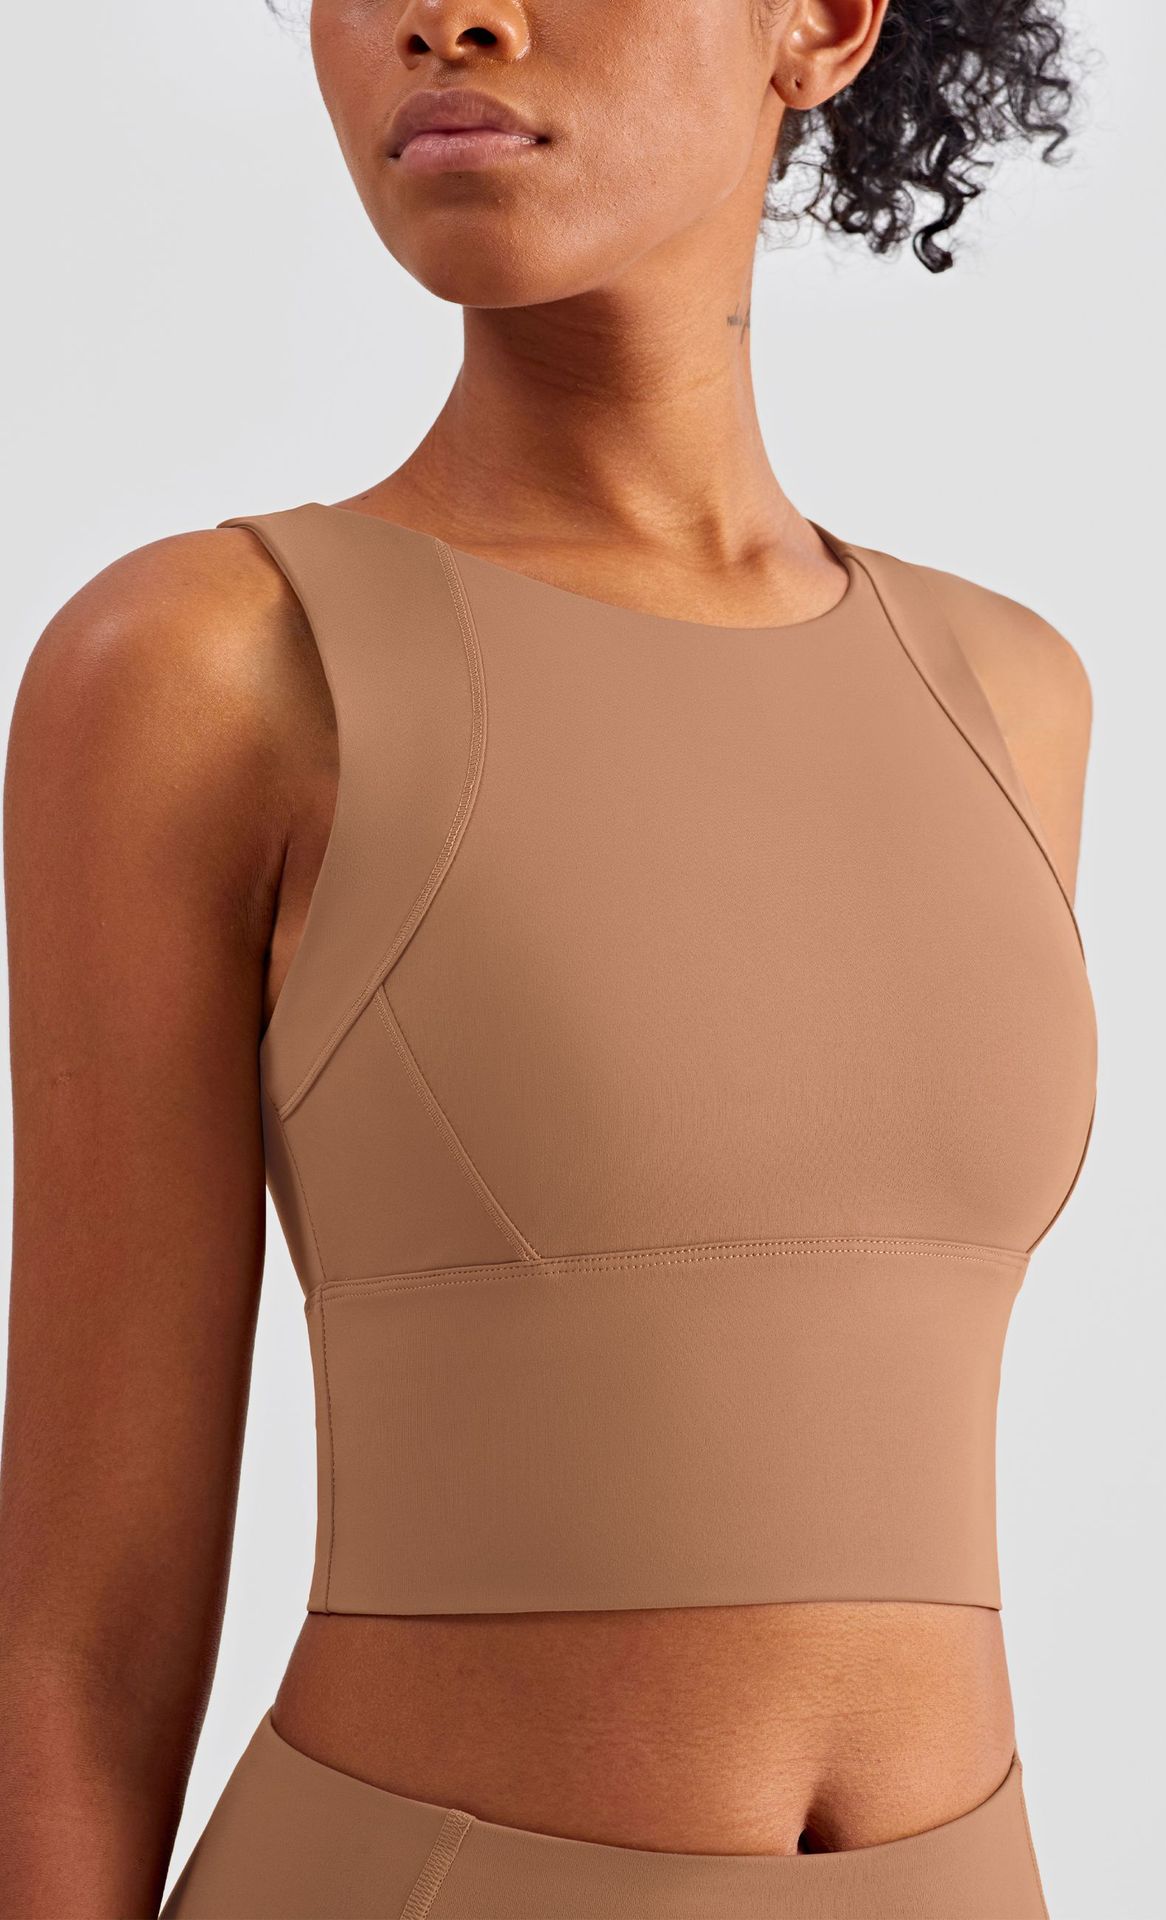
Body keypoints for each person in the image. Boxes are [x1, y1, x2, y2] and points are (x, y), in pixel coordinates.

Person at [0, 1, 1098, 1915]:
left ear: (823, 23)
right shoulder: (215, 664)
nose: (451, 15)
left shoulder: (1005, 695)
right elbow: (78, 1640)